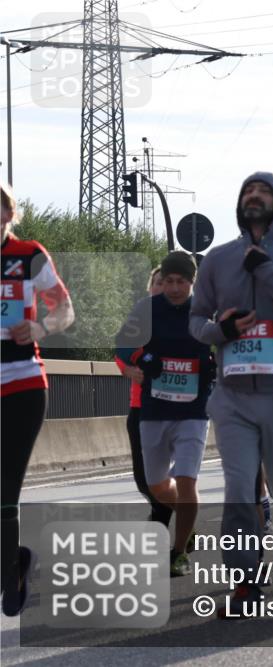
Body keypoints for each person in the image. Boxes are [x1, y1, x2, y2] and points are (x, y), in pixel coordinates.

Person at [189, 172, 273, 617]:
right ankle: (245, 583)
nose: (254, 197)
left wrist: (264, 269)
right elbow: (195, 320)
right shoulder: (216, 259)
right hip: (233, 393)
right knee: (239, 487)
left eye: (263, 191)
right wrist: (220, 330)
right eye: (248, 191)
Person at [116, 251, 214, 577]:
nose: (173, 287)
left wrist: (214, 364)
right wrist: (142, 359)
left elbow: (225, 341)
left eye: (181, 281)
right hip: (154, 409)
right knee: (157, 487)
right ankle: (189, 524)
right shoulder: (147, 308)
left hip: (193, 410)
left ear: (191, 282)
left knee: (186, 479)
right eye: (169, 281)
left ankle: (179, 551)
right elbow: (122, 346)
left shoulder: (203, 310)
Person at [1, 182, 75, 616]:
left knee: (6, 483)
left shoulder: (28, 255)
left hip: (22, 380)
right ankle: (15, 561)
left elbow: (65, 309)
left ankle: (8, 571)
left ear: (8, 214)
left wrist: (42, 328)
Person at [116, 266, 174, 529]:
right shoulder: (140, 317)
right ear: (150, 288)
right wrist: (129, 368)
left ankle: (165, 525)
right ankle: (178, 511)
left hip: (175, 409)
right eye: (158, 283)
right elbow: (121, 350)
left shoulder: (185, 317)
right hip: (140, 406)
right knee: (143, 478)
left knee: (161, 475)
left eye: (168, 283)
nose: (162, 288)